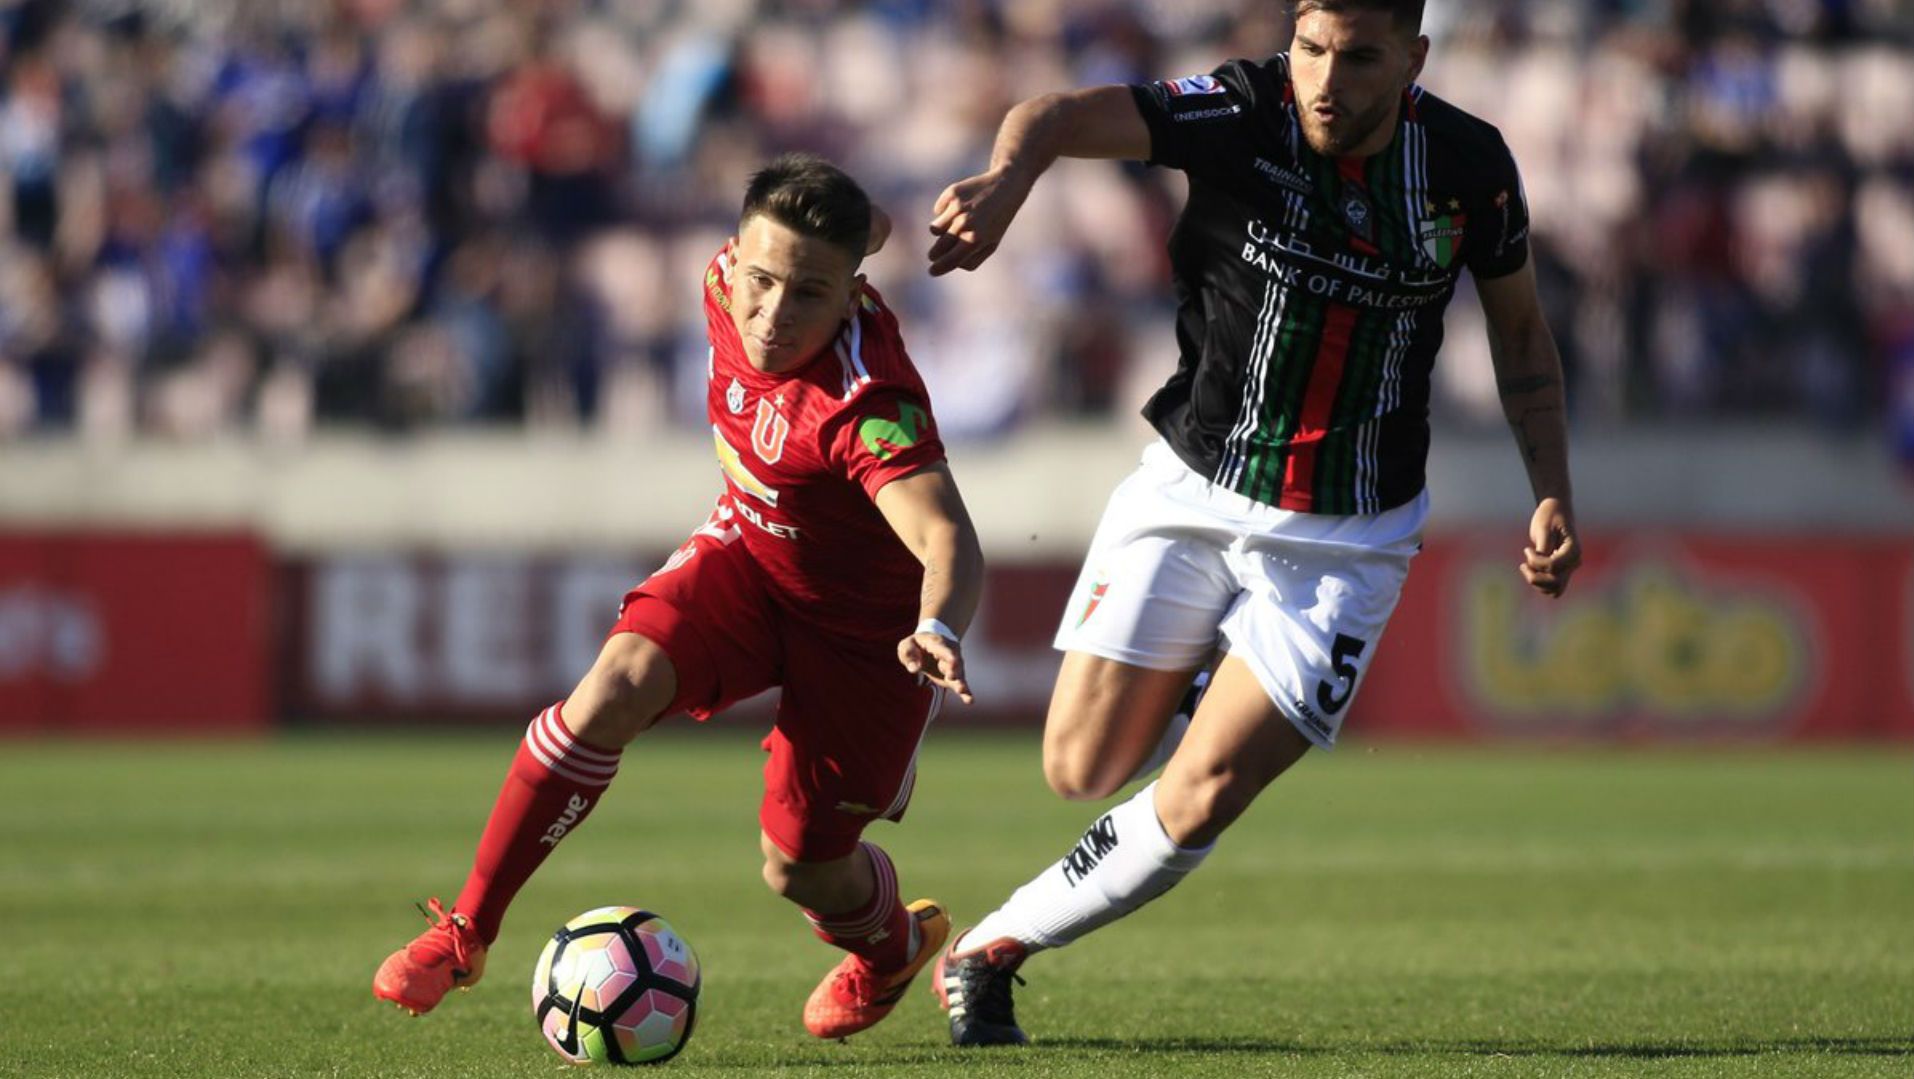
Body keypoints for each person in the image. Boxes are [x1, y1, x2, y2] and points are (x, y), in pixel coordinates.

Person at [921, 0, 1582, 1046]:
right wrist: (1004, 188)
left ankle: (991, 949)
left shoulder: (1469, 165)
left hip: (1349, 533)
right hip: (1193, 485)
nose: (1327, 79)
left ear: (1412, 58)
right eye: (1313, 49)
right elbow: (1049, 113)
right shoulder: (1241, 108)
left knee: (1208, 785)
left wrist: (1551, 489)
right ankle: (1206, 673)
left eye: (1359, 59)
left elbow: (1523, 342)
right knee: (1079, 769)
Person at [374, 153, 986, 1041]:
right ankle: (466, 929)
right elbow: (858, 234)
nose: (774, 313)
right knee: (612, 683)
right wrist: (870, 228)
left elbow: (944, 534)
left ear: (850, 293)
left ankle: (891, 946)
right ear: (733, 256)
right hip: (748, 555)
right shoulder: (724, 278)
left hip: (865, 635)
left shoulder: (863, 401)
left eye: (810, 294)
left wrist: (935, 623)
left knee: (801, 869)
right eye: (763, 279)